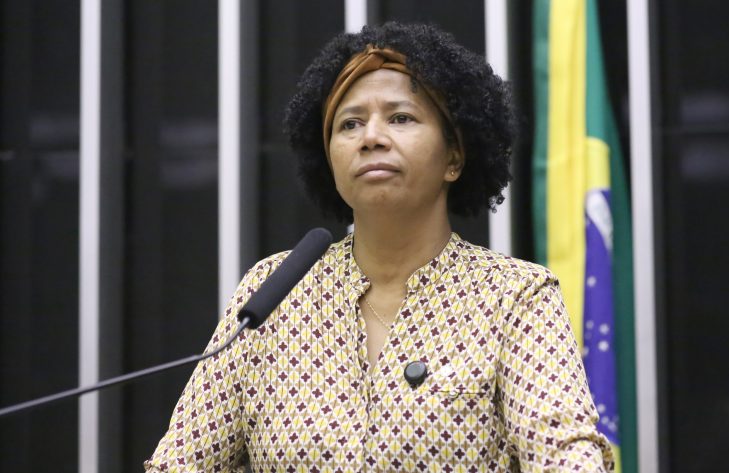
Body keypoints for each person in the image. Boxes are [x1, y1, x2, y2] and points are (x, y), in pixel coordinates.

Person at [145, 22, 614, 472]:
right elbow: (179, 463)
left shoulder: (515, 297)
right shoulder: (271, 294)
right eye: (350, 124)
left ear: (454, 157)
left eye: (400, 118)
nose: (371, 138)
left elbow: (565, 456)